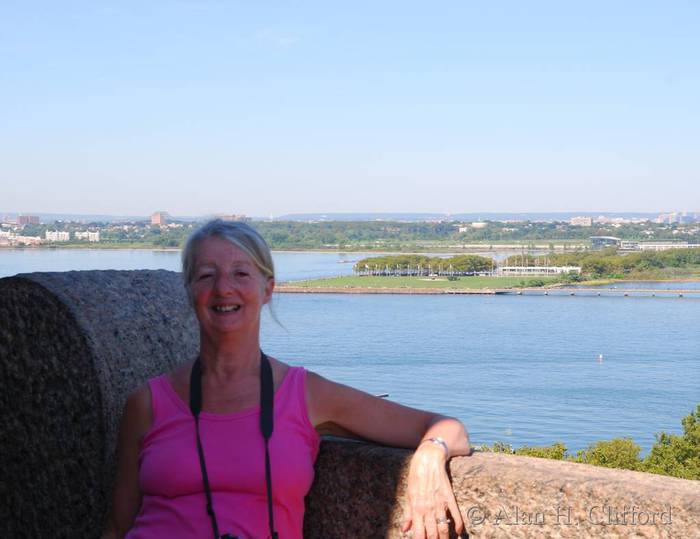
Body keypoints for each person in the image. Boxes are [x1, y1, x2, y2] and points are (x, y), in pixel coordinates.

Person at [103, 219, 470, 539]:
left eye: (241, 273)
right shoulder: (148, 404)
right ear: (189, 293)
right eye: (206, 275)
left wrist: (428, 457)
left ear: (268, 289)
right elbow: (119, 529)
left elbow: (446, 427)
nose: (223, 288)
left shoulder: (305, 395)